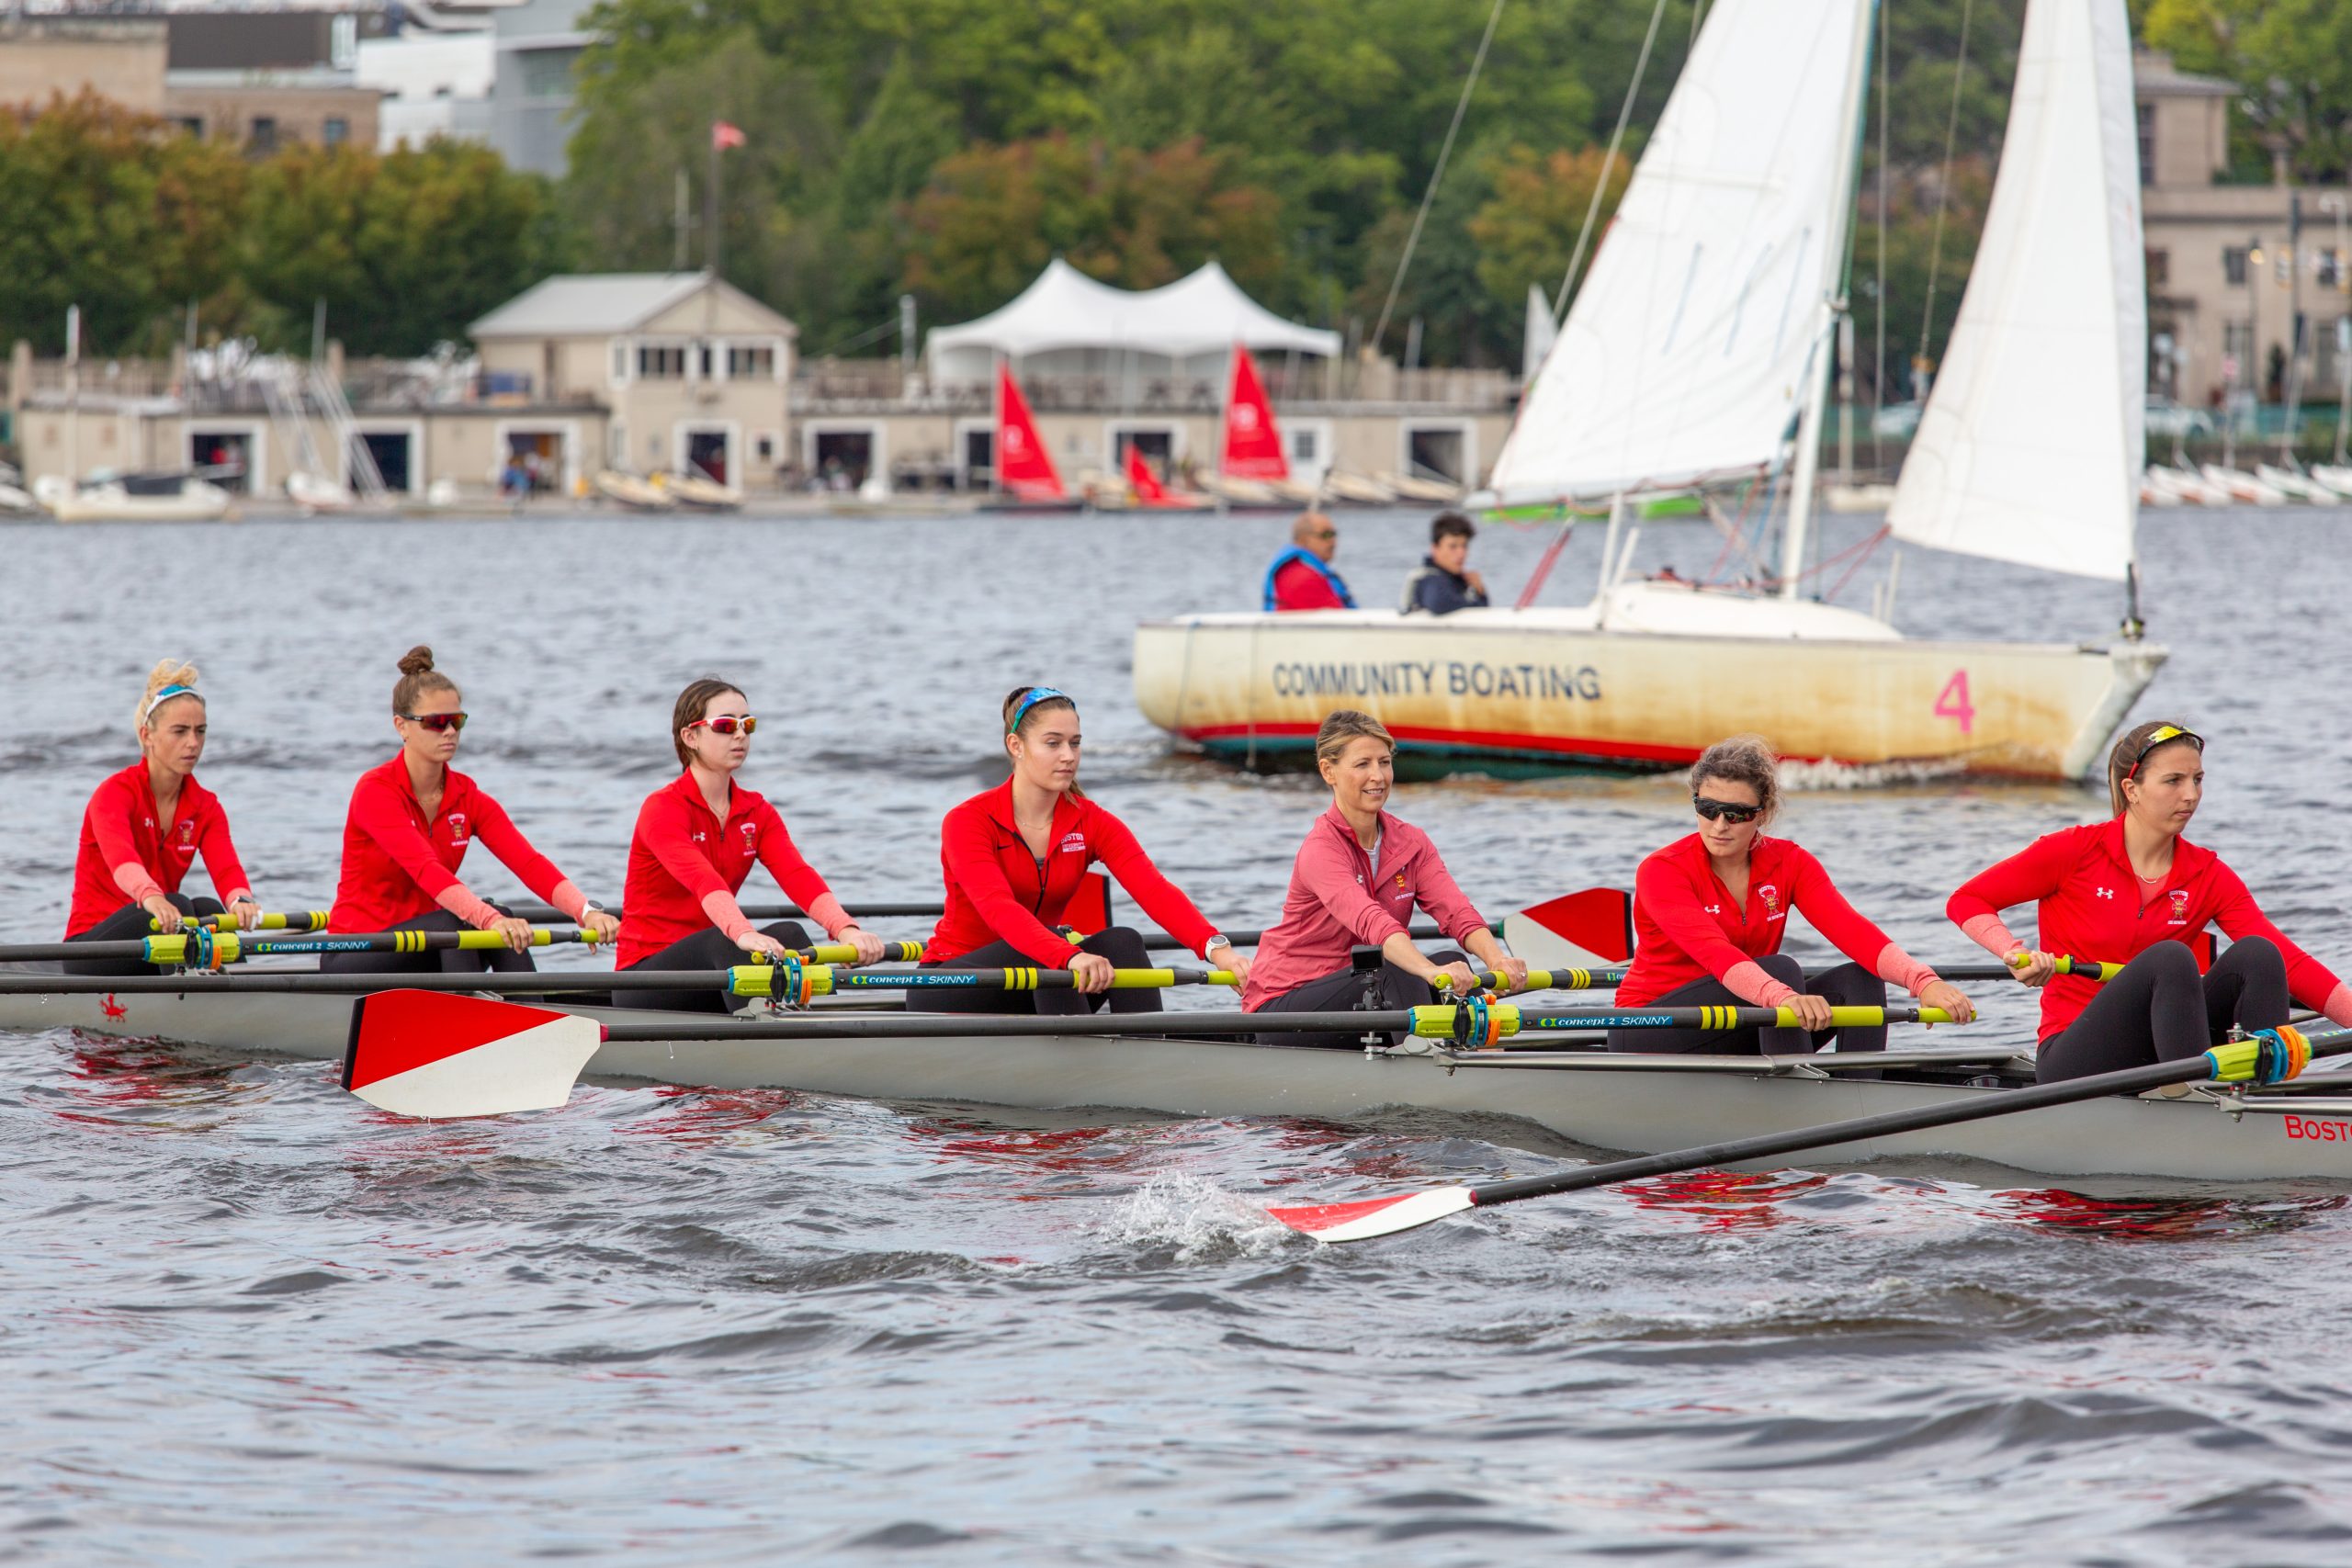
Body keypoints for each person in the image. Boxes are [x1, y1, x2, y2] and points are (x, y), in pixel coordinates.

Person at [1948, 720, 2350, 1084]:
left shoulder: (2207, 872)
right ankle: (2192, 1095)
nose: (2191, 795)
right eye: (2173, 780)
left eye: (2197, 779)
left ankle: (2268, 1093)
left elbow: (2292, 963)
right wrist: (2013, 953)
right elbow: (1967, 900)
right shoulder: (2072, 852)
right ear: (2132, 789)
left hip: (2167, 1042)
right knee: (2171, 959)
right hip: (2076, 1054)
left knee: (2260, 955)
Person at [1612, 735, 1975, 1055]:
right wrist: (1784, 997)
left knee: (1860, 978)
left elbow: (1851, 930)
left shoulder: (1790, 862)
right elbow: (1716, 954)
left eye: (1736, 814)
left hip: (1748, 1013)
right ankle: (1795, 1089)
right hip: (1651, 1028)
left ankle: (1860, 1093)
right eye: (1707, 809)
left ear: (1763, 814)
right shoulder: (1663, 870)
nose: (1719, 825)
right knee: (1782, 969)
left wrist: (1923, 980)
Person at [913, 686, 1250, 1016]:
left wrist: (1219, 951)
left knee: (1123, 941)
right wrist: (1069, 955)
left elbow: (1154, 890)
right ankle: (1075, 1057)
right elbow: (998, 909)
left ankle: (1149, 1048)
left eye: (1075, 743)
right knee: (1045, 942)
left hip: (1043, 978)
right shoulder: (968, 821)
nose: (1068, 756)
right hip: (953, 985)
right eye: (1053, 743)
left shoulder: (1092, 821)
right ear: (1015, 746)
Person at [322, 647, 619, 974]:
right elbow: (426, 870)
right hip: (358, 950)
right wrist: (486, 919)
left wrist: (586, 911)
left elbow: (529, 863)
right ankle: (470, 1012)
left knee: (499, 915)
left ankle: (537, 1012)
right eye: (435, 723)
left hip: (428, 945)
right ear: (401, 726)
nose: (449, 731)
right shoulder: (376, 791)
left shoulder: (467, 796)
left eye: (456, 721)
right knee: (462, 921)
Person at [1243, 710, 1526, 1046]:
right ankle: (1426, 1067)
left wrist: (1496, 959)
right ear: (1328, 771)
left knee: (1454, 967)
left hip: (1362, 994)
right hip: (1285, 1007)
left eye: (1384, 762)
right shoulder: (1320, 850)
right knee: (1396, 967)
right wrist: (1428, 973)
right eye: (1362, 764)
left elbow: (1457, 911)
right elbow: (1374, 925)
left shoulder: (1412, 841)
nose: (1378, 776)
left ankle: (1479, 1055)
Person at [612, 679, 889, 1010]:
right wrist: (742, 932)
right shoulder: (662, 809)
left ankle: (827, 1030)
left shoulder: (756, 811)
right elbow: (703, 879)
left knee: (789, 934)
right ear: (690, 737)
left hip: (718, 971)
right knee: (728, 942)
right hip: (644, 979)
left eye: (748, 724)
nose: (740, 734)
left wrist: (846, 930)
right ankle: (772, 1038)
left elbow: (798, 875)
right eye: (726, 725)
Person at [62, 660, 264, 976]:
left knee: (211, 911)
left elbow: (227, 869)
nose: (193, 743)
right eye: (180, 732)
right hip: (90, 950)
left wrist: (241, 900)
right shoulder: (114, 794)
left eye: (200, 731)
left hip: (159, 930)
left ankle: (244, 1003)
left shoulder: (206, 806)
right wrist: (151, 896)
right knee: (180, 905)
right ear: (148, 736)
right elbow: (123, 863)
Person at [1398, 512, 1490, 615]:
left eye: (1464, 546)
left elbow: (1483, 614)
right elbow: (1439, 603)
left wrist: (1480, 592)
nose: (1461, 553)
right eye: (1453, 547)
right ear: (1435, 549)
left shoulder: (1458, 580)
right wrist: (1475, 602)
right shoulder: (1429, 580)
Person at [1262, 512, 1355, 611]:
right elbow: (1339, 619)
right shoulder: (1302, 577)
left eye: (1334, 534)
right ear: (1303, 539)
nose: (1333, 541)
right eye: (1326, 535)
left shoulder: (1304, 571)